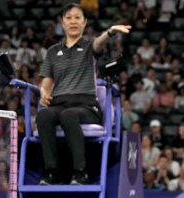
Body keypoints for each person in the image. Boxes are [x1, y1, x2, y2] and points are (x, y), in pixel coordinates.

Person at [37, 4, 131, 185]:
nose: (73, 21)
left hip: (86, 107)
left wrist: (110, 32)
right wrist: (43, 93)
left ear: (84, 22)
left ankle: (81, 172)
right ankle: (52, 172)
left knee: (68, 115)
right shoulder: (52, 52)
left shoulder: (89, 47)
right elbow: (46, 83)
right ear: (62, 22)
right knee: (44, 115)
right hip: (59, 103)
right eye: (69, 17)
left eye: (78, 17)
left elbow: (98, 42)